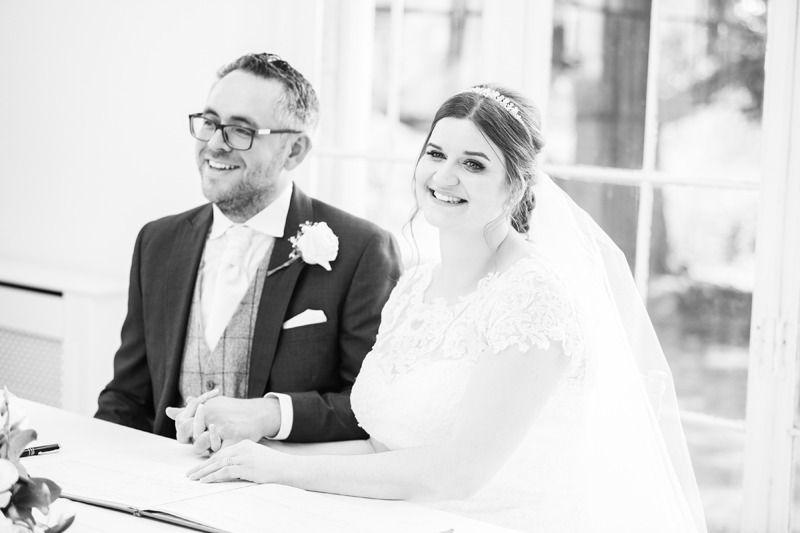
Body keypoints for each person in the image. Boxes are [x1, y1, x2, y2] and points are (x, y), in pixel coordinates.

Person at [186, 84, 707, 532]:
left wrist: (286, 471)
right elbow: (384, 451)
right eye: (436, 154)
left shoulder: (533, 296)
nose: (444, 176)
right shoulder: (415, 287)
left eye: (473, 164)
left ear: (515, 186)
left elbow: (461, 472)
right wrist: (258, 457)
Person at [95, 53, 402, 448]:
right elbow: (127, 397)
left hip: (277, 483)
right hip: (162, 473)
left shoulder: (363, 250)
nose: (214, 144)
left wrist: (273, 415)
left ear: (294, 150)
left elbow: (372, 408)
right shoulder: (158, 242)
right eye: (210, 122)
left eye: (241, 130)